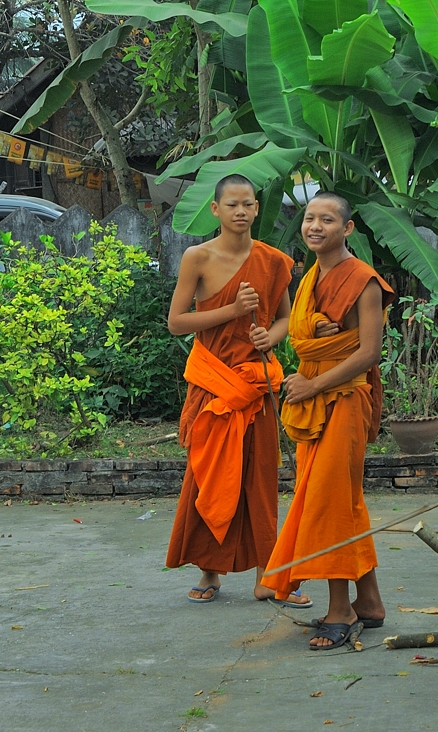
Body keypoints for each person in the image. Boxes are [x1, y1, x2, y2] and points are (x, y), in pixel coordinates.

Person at [164, 174, 311, 608]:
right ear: (216, 210)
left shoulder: (272, 261)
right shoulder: (198, 257)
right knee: (208, 475)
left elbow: (283, 318)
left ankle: (270, 573)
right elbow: (176, 323)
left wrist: (272, 336)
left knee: (260, 478)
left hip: (255, 382)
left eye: (248, 204)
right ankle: (209, 568)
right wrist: (232, 310)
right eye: (232, 205)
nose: (241, 211)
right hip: (211, 383)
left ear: (256, 209)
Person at [260, 192, 395, 650]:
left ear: (348, 228)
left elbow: (370, 353)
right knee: (343, 500)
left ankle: (341, 610)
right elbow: (300, 335)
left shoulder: (365, 280)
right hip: (313, 396)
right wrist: (314, 331)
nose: (315, 226)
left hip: (344, 399)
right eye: (310, 218)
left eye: (328, 219)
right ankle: (370, 601)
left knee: (330, 501)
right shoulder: (309, 277)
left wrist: (313, 384)